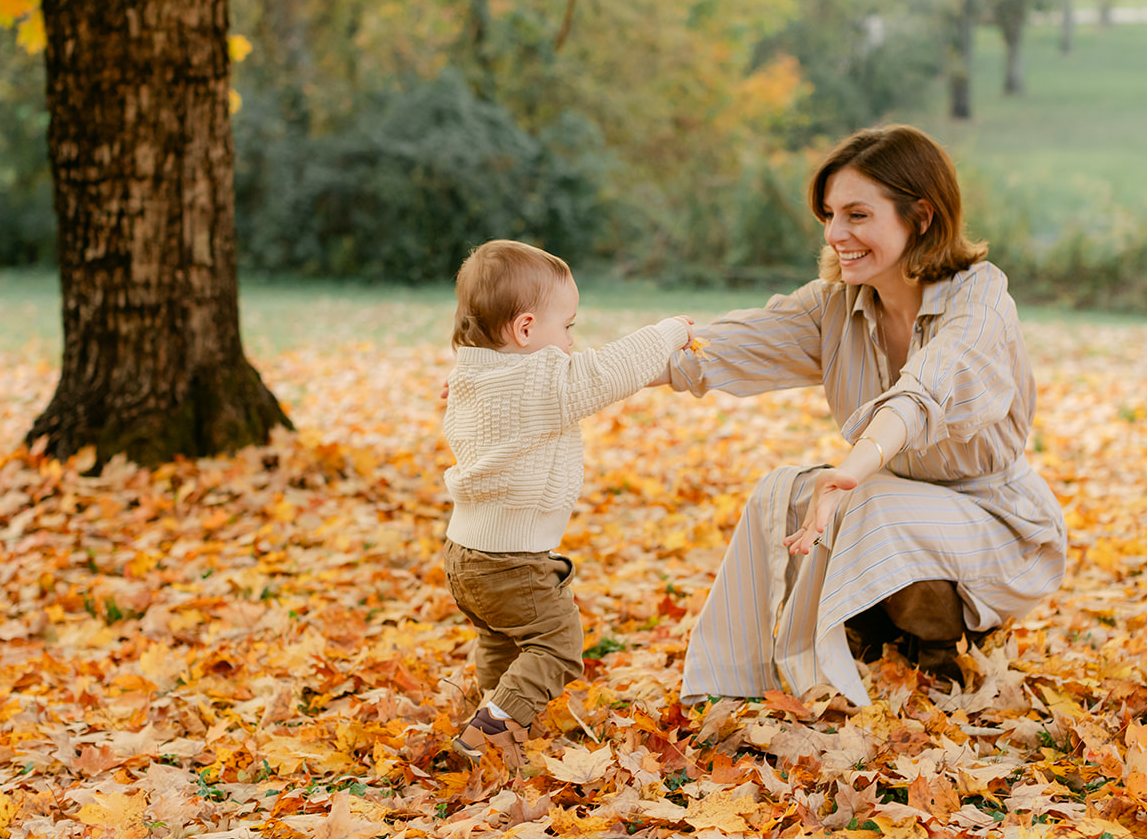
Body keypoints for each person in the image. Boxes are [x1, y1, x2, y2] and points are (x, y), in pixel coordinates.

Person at [659, 125, 1066, 703]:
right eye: (829, 215)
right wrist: (594, 369)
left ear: (920, 216)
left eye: (856, 214)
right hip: (900, 508)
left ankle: (928, 643)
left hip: (998, 523)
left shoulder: (980, 303)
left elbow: (924, 392)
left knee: (868, 500)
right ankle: (737, 681)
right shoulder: (837, 306)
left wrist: (853, 470)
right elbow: (719, 347)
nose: (835, 234)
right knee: (784, 491)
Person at [442, 239, 694, 765]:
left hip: (466, 553)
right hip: (513, 560)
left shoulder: (474, 372)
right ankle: (490, 730)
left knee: (504, 639)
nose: (572, 342)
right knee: (556, 642)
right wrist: (670, 332)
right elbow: (609, 371)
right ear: (527, 330)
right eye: (568, 327)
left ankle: (499, 713)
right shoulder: (539, 379)